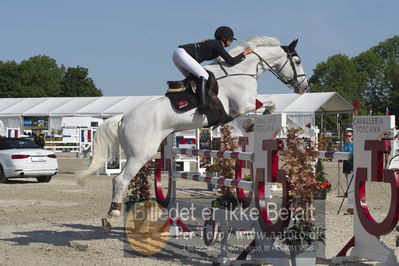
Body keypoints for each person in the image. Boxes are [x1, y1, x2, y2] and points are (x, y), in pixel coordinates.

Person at [173, 26, 253, 114]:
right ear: (224, 38)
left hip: (178, 54)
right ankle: (202, 106)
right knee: (204, 75)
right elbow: (231, 61)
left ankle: (185, 100)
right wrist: (245, 53)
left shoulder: (215, 44)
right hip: (182, 54)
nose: (232, 41)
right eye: (231, 39)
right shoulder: (217, 45)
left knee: (193, 79)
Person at [343, 129, 354, 215]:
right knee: (347, 180)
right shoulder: (345, 144)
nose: (348, 137)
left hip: (351, 162)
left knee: (351, 180)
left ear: (352, 137)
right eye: (346, 136)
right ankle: (349, 193)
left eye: (349, 136)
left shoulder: (353, 144)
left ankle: (351, 195)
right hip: (345, 162)